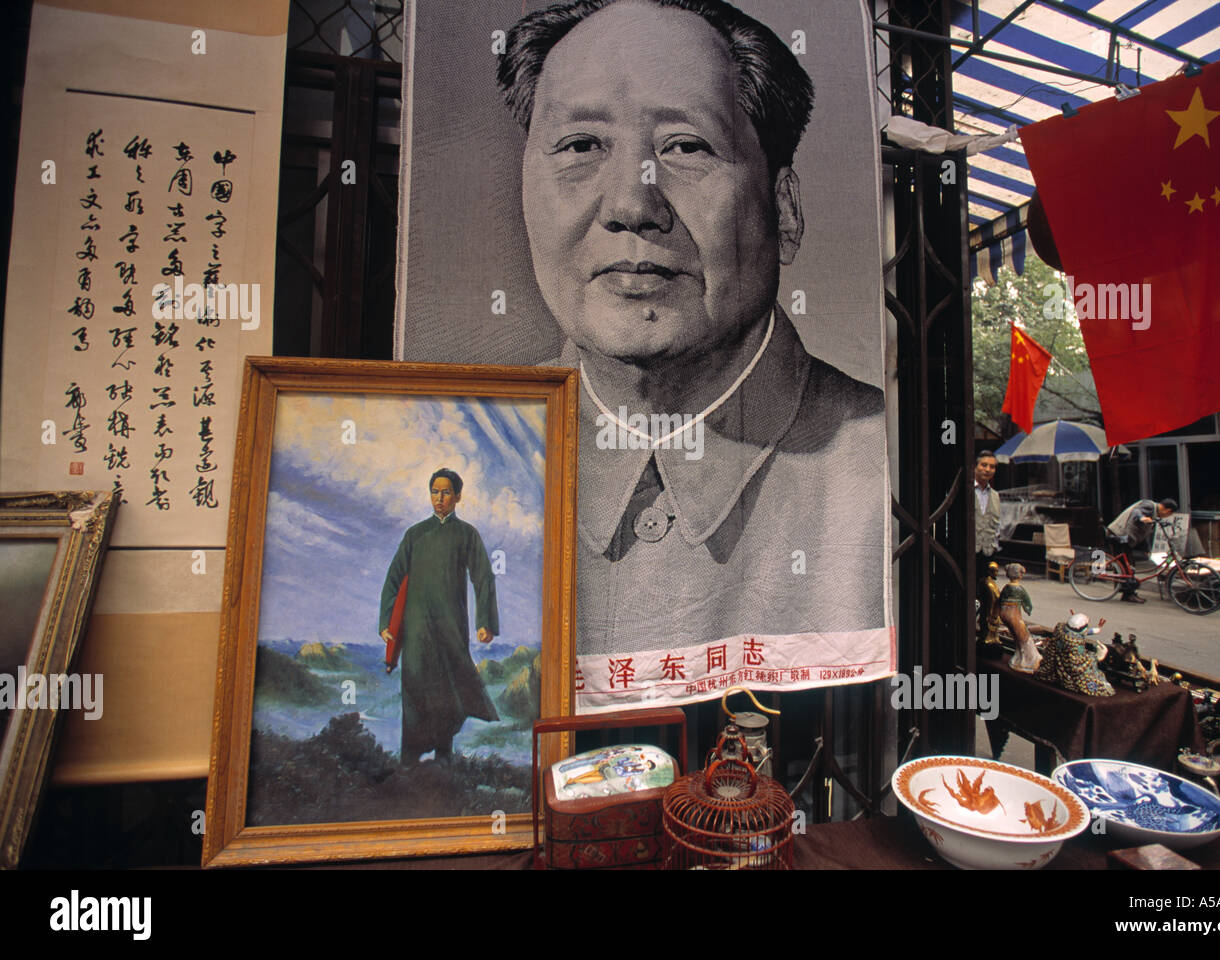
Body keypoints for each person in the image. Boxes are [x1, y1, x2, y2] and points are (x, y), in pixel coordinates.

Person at [496, 0, 887, 656]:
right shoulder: (468, 453)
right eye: (581, 146)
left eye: (686, 147)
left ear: (784, 210)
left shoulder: (878, 471)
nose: (630, 206)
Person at [379, 468, 500, 766]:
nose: (439, 498)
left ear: (458, 496)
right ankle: (409, 759)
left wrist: (485, 622)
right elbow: (393, 579)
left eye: (446, 492)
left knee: (448, 690)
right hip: (416, 627)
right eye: (435, 491)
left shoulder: (467, 534)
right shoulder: (415, 534)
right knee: (415, 687)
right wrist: (386, 623)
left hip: (451, 626)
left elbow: (483, 577)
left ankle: (444, 755)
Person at [1106, 498, 1177, 603]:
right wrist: (1142, 517)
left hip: (1125, 538)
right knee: (1127, 566)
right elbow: (1136, 511)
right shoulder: (1149, 505)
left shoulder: (1153, 514)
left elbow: (1143, 533)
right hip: (1118, 534)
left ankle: (1128, 592)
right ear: (1168, 511)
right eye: (1168, 515)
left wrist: (1147, 549)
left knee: (1130, 566)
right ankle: (1128, 594)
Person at [973, 450, 1000, 639]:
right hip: (968, 552)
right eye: (984, 465)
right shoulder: (966, 490)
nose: (987, 469)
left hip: (988, 553)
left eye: (992, 466)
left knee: (988, 597)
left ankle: (985, 634)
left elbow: (996, 525)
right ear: (975, 467)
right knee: (969, 595)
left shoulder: (996, 496)